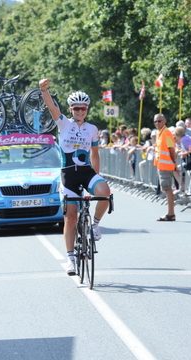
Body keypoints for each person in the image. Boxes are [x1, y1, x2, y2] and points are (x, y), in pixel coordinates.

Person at [39, 78, 112, 276]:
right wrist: (43, 90)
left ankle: (95, 225)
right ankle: (70, 258)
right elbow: (52, 107)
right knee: (71, 216)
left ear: (87, 109)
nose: (80, 111)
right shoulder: (63, 123)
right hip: (68, 174)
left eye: (83, 108)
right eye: (76, 108)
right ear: (71, 109)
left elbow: (95, 155)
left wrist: (96, 179)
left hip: (87, 172)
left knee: (105, 193)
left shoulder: (92, 129)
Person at [153, 113, 177, 221]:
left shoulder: (166, 133)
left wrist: (174, 162)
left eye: (159, 121)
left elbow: (171, 149)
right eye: (155, 121)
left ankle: (171, 214)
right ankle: (170, 213)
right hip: (162, 165)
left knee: (167, 189)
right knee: (166, 189)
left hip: (166, 165)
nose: (157, 123)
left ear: (164, 121)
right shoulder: (160, 133)